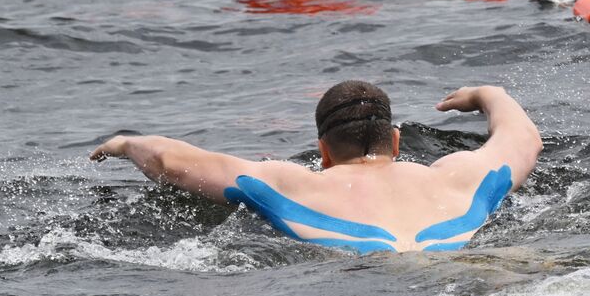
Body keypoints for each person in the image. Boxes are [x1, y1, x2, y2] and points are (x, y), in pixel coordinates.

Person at [90, 81, 542, 254]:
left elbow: (171, 162)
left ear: (322, 150)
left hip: (371, 275)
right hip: (466, 260)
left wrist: (126, 143)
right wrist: (490, 95)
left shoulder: (291, 185)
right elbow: (523, 140)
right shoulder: (458, 175)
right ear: (397, 142)